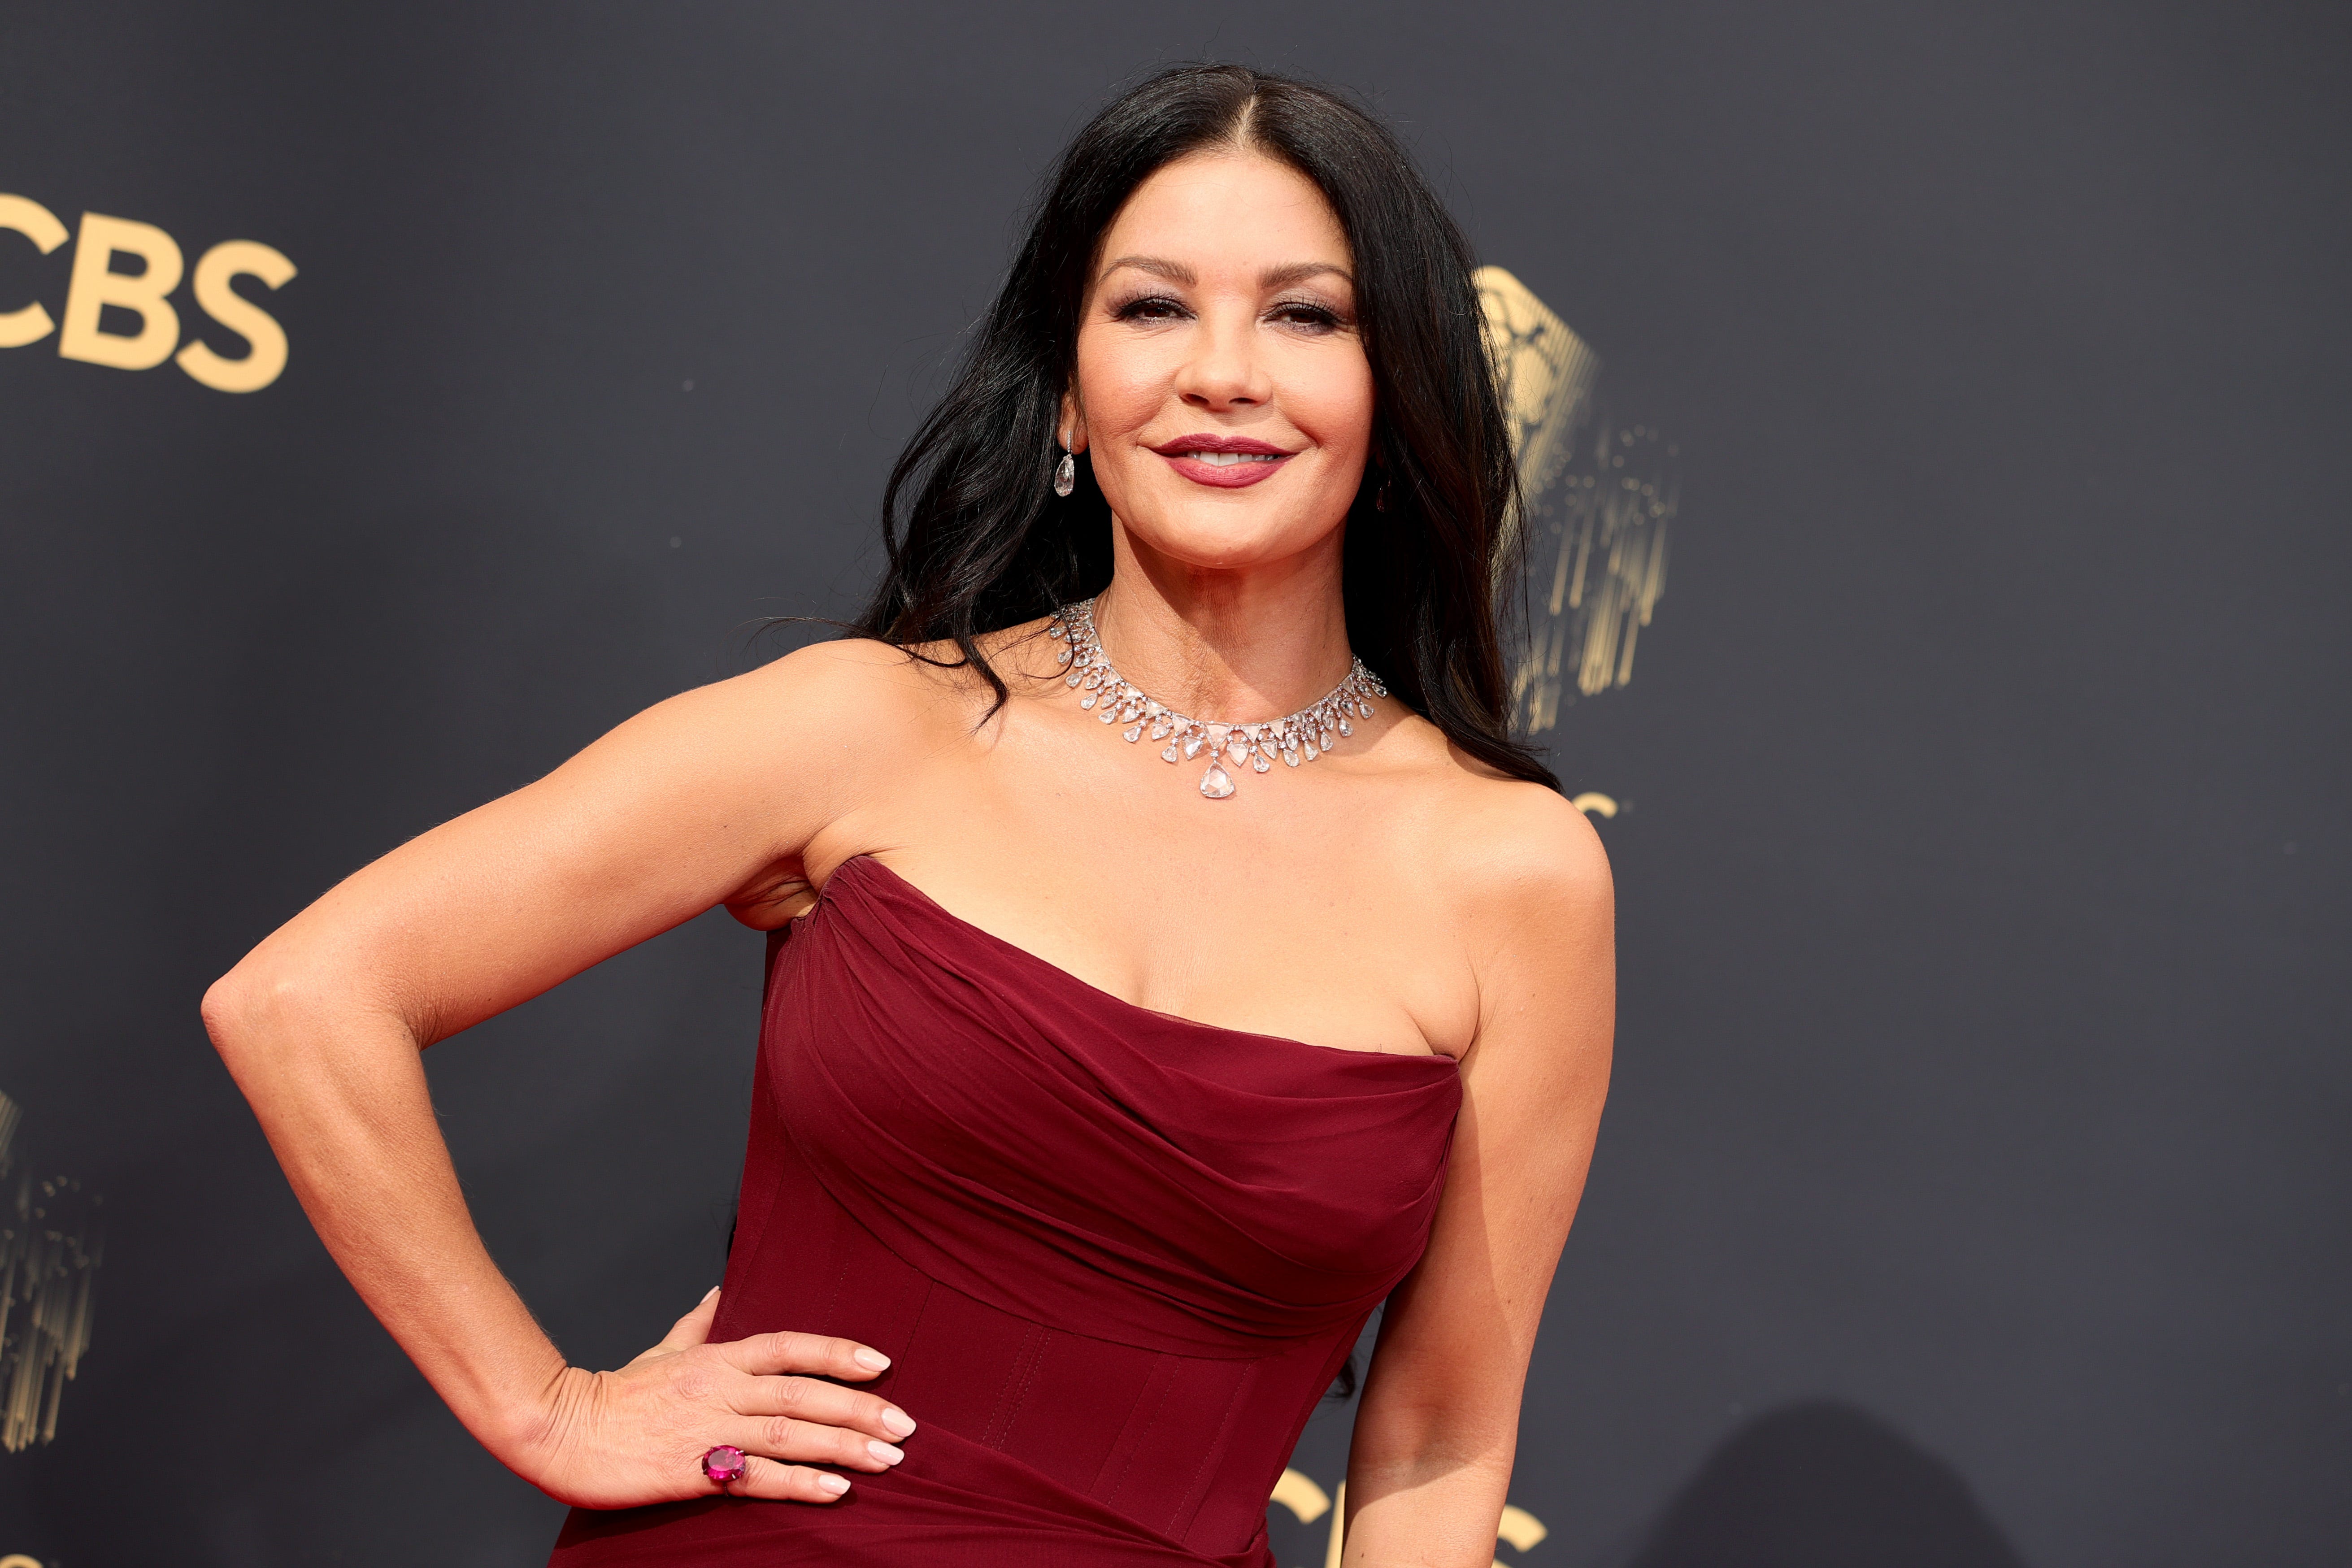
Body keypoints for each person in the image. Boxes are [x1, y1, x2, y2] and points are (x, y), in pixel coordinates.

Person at [203, 63, 1614, 1568]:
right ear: (1069, 391)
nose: (1223, 372)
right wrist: (546, 1406)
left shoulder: (1511, 872)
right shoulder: (864, 727)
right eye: (1151, 307)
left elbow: (1440, 1434)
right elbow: (303, 995)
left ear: (1393, 388)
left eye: (1303, 314)